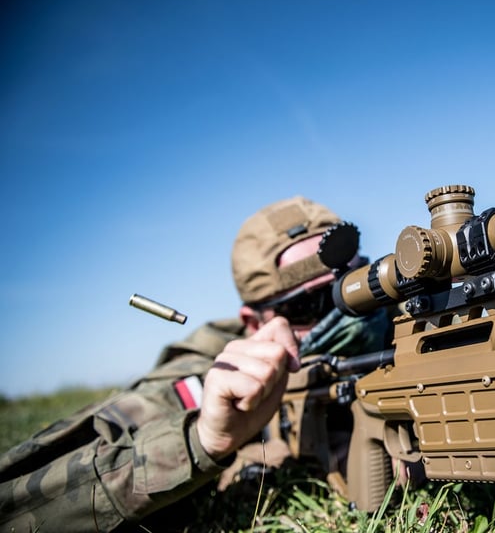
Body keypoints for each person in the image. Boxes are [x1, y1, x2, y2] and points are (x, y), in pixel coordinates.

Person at [0, 196, 393, 532]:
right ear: (255, 323)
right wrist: (202, 440)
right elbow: (14, 508)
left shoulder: (398, 320)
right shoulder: (212, 380)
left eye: (355, 285)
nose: (347, 312)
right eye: (311, 305)